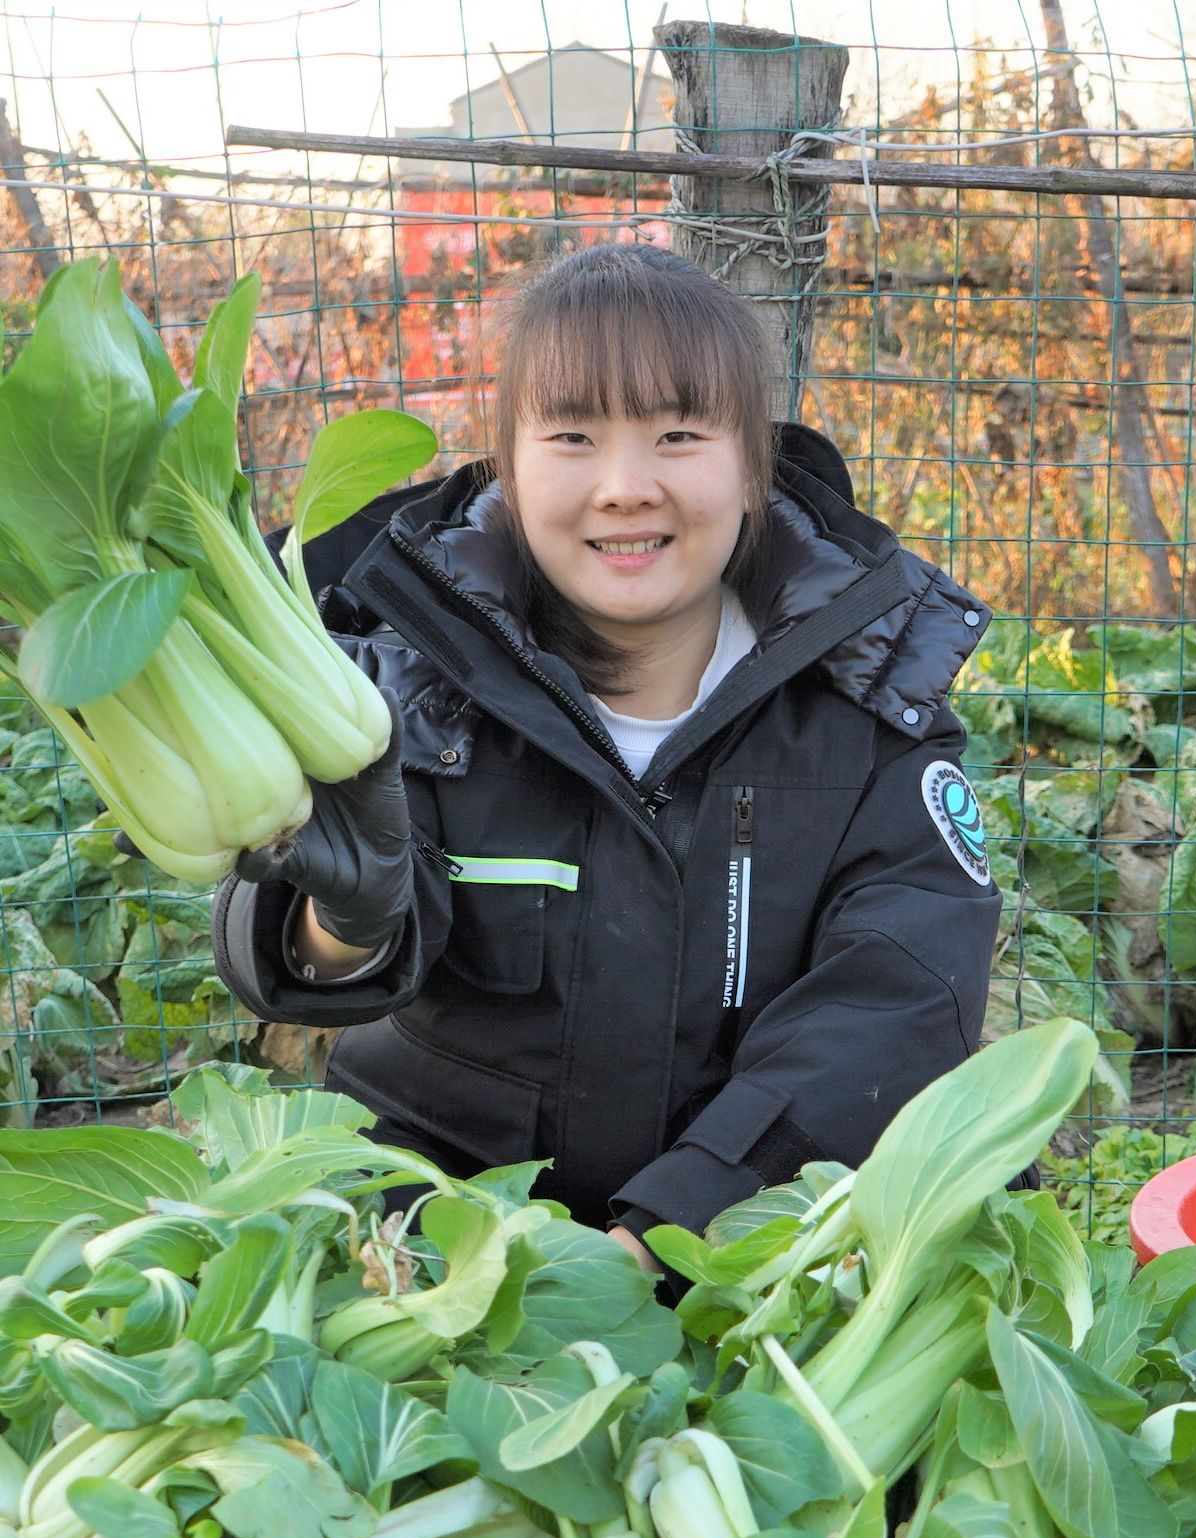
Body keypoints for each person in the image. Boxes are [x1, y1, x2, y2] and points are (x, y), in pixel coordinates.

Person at [212, 243, 1000, 1259]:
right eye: (573, 436)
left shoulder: (865, 687)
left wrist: (667, 1234)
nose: (624, 488)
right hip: (443, 1223)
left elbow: (893, 998)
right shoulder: (394, 672)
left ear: (751, 467)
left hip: (769, 1230)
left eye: (677, 434)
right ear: (508, 460)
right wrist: (341, 916)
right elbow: (297, 951)